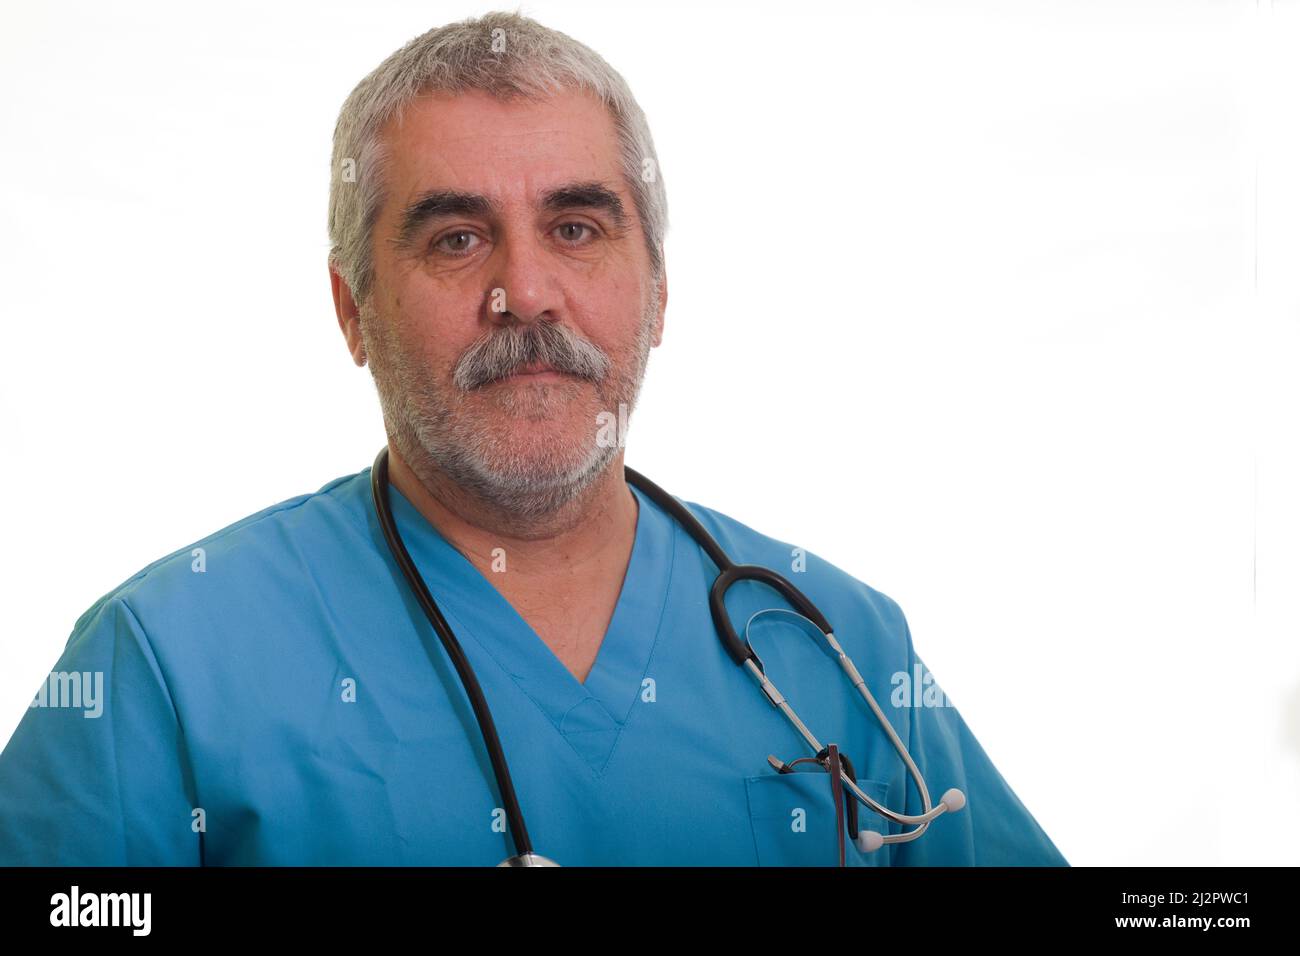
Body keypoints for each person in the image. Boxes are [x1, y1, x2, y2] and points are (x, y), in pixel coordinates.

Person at [0, 10, 1067, 867]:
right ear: (353, 310)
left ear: (656, 294)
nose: (526, 292)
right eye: (457, 238)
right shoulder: (163, 663)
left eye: (576, 227)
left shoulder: (836, 640)